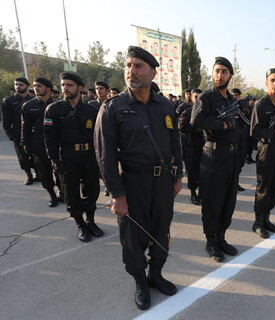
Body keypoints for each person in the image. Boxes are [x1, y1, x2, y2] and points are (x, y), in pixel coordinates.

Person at [94, 46, 183, 310]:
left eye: (138, 66)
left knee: (161, 232)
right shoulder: (113, 108)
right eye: (128, 65)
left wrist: (178, 176)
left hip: (163, 183)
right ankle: (140, 281)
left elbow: (174, 143)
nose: (131, 70)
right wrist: (117, 195)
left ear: (153, 73)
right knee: (133, 240)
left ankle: (156, 274)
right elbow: (105, 157)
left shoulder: (165, 105)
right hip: (133, 184)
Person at [44, 72, 103, 243]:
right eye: (63, 85)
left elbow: (99, 136)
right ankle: (80, 224)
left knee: (92, 191)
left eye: (69, 85)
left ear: (80, 88)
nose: (65, 88)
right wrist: (55, 160)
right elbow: (50, 137)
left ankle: (90, 221)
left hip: (89, 156)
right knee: (71, 194)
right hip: (68, 157)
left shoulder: (92, 109)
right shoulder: (54, 109)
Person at [191, 57, 239, 262]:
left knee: (228, 200)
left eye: (224, 72)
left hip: (230, 155)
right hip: (213, 155)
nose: (220, 75)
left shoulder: (230, 100)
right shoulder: (207, 97)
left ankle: (221, 237)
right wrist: (223, 126)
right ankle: (211, 241)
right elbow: (196, 121)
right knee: (212, 201)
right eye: (217, 71)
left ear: (230, 75)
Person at [250, 68, 275, 238]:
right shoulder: (260, 105)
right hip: (266, 151)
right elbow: (256, 131)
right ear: (266, 83)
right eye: (273, 80)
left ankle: (266, 219)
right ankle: (258, 222)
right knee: (263, 188)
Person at [21, 77, 62, 207]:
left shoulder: (58, 104)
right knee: (44, 171)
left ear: (48, 88)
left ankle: (62, 193)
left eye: (39, 86)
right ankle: (52, 196)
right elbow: (25, 127)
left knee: (60, 170)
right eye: (35, 86)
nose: (36, 88)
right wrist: (26, 144)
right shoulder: (29, 106)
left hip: (56, 142)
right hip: (38, 142)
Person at [2, 77, 37, 184]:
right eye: (16, 84)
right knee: (22, 156)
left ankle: (37, 173)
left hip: (33, 133)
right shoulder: (8, 101)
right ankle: (28, 175)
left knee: (36, 154)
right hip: (18, 133)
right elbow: (6, 120)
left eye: (21, 84)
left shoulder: (33, 100)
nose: (18, 86)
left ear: (27, 86)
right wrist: (9, 134)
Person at [178, 89, 204, 205]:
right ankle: (193, 193)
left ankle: (202, 193)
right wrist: (196, 128)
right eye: (195, 97)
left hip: (205, 148)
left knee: (204, 172)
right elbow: (182, 126)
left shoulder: (206, 112)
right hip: (192, 146)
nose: (198, 99)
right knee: (192, 172)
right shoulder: (188, 112)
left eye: (200, 97)